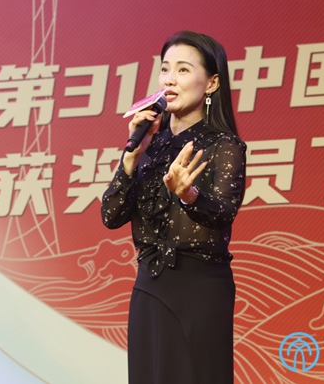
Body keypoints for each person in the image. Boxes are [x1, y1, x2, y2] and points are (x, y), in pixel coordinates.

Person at [101, 31, 247, 384]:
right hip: (150, 286)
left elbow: (223, 212)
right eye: (165, 69)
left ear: (211, 84)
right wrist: (131, 158)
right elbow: (111, 216)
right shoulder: (150, 146)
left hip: (199, 289)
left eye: (183, 70)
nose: (169, 79)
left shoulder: (223, 145)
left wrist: (189, 195)